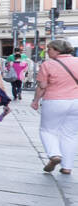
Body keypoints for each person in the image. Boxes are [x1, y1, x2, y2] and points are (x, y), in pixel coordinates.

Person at [32, 38, 78, 174]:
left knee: (47, 130)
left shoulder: (48, 64)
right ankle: (67, 167)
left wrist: (35, 100)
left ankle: (54, 154)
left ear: (58, 50)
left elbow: (42, 86)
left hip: (54, 101)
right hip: (76, 101)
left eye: (50, 49)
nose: (47, 51)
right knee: (70, 134)